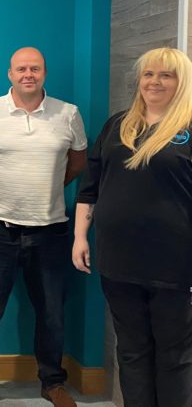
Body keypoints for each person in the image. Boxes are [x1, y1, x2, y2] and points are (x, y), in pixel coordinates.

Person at [0, 47, 86, 407]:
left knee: (51, 313)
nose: (28, 74)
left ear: (44, 72)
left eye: (35, 68)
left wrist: (48, 187)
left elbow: (77, 163)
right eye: (21, 69)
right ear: (10, 73)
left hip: (50, 230)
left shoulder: (68, 114)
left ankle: (52, 382)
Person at [73, 47, 192, 407]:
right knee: (132, 350)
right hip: (118, 261)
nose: (154, 82)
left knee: (174, 356)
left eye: (166, 75)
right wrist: (80, 236)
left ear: (181, 82)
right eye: (148, 74)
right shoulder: (117, 124)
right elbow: (90, 186)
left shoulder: (187, 127)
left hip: (175, 263)